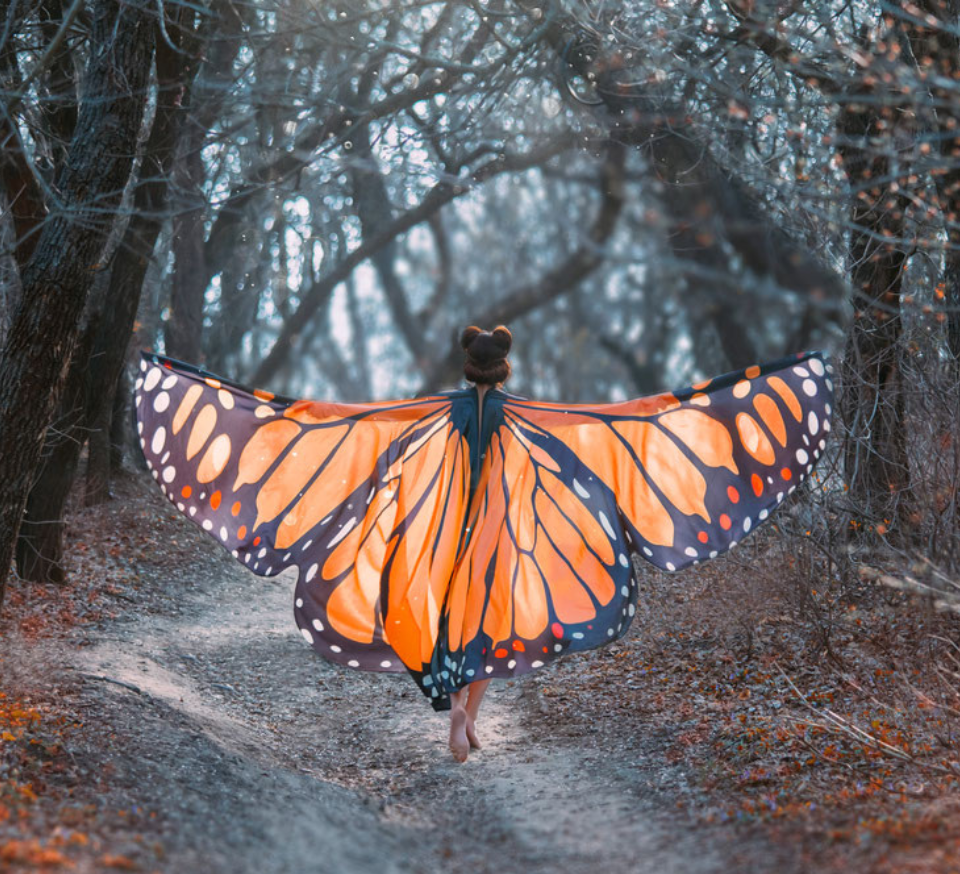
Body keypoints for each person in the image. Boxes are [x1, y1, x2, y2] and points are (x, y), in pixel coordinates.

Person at [135, 326, 833, 764]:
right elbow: (648, 425)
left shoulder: (423, 418)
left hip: (435, 529)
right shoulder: (538, 419)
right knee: (494, 621)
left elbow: (313, 426)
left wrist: (184, 387)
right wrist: (776, 391)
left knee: (439, 611)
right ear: (503, 372)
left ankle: (452, 710)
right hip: (511, 531)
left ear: (466, 367)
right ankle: (466, 715)